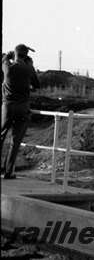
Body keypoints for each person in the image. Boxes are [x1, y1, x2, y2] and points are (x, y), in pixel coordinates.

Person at [1, 44, 40, 179]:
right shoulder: (29, 68)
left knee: (1, 136)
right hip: (23, 107)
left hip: (8, 106)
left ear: (15, 54)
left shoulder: (7, 66)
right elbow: (37, 84)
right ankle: (9, 171)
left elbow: (4, 58)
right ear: (26, 56)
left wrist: (10, 55)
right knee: (15, 142)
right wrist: (31, 65)